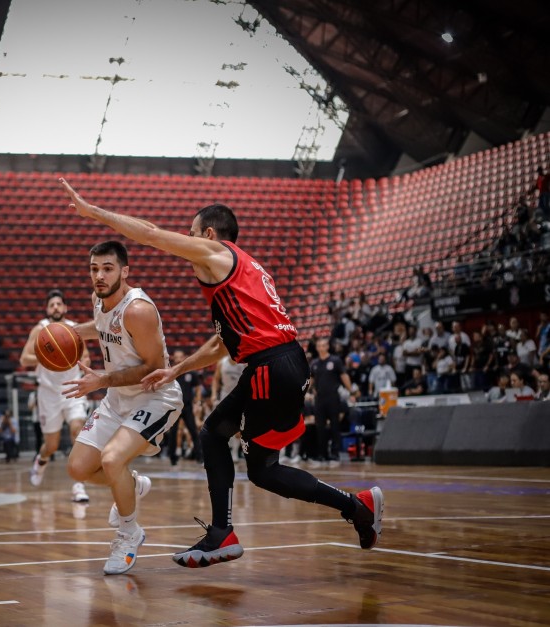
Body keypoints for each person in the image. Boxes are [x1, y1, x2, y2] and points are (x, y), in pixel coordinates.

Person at [60, 179, 384, 570]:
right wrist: (177, 368)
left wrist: (92, 211)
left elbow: (150, 234)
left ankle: (334, 510)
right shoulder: (246, 272)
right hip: (277, 364)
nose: (188, 241)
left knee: (258, 467)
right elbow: (222, 344)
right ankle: (346, 508)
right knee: (219, 437)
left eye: (192, 234)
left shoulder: (217, 253)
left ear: (208, 235)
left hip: (272, 366)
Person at [63, 240, 183, 575]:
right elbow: (100, 329)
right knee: (77, 469)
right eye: (94, 269)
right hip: (118, 398)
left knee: (111, 458)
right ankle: (132, 483)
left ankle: (129, 533)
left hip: (155, 397)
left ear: (125, 271)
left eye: (107, 268)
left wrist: (101, 380)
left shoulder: (138, 310)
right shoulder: (99, 301)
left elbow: (154, 367)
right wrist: (67, 335)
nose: (99, 276)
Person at [19, 289, 91, 502]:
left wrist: (81, 368)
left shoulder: (73, 329)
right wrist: (48, 357)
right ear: (47, 309)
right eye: (52, 305)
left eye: (59, 304)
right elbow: (24, 359)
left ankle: (79, 485)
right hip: (48, 393)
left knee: (78, 430)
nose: (56, 308)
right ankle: (41, 461)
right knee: (51, 445)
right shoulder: (40, 330)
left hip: (72, 389)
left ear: (65, 308)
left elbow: (85, 357)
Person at [310, 337, 353, 464]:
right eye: (319, 345)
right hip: (320, 399)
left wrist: (351, 391)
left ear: (327, 347)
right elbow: (310, 380)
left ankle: (335, 454)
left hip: (333, 398)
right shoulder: (314, 363)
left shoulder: (335, 360)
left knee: (335, 426)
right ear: (317, 348)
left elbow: (344, 376)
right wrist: (305, 390)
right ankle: (322, 454)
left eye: (324, 345)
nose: (322, 348)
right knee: (320, 427)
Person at [165, 349, 204, 465]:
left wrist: (198, 402)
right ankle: (173, 458)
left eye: (180, 357)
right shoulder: (170, 372)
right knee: (173, 432)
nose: (178, 359)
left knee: (193, 431)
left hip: (187, 407)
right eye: (176, 357)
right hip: (174, 407)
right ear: (173, 358)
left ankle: (199, 457)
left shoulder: (191, 373)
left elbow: (198, 388)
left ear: (184, 357)